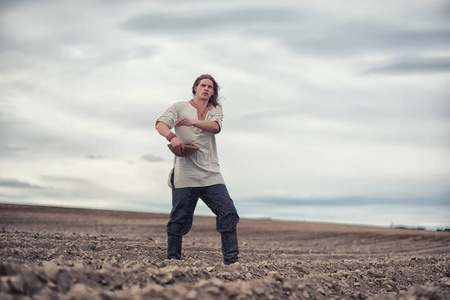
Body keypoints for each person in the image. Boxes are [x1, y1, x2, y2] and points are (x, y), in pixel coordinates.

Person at [155, 74, 239, 265]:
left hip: (210, 173)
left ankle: (232, 262)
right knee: (179, 218)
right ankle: (173, 261)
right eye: (203, 85)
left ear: (213, 92)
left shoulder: (215, 109)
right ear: (195, 88)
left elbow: (216, 127)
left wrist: (192, 122)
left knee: (228, 212)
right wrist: (172, 137)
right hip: (185, 172)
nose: (206, 89)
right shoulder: (179, 107)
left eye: (210, 87)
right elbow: (160, 123)